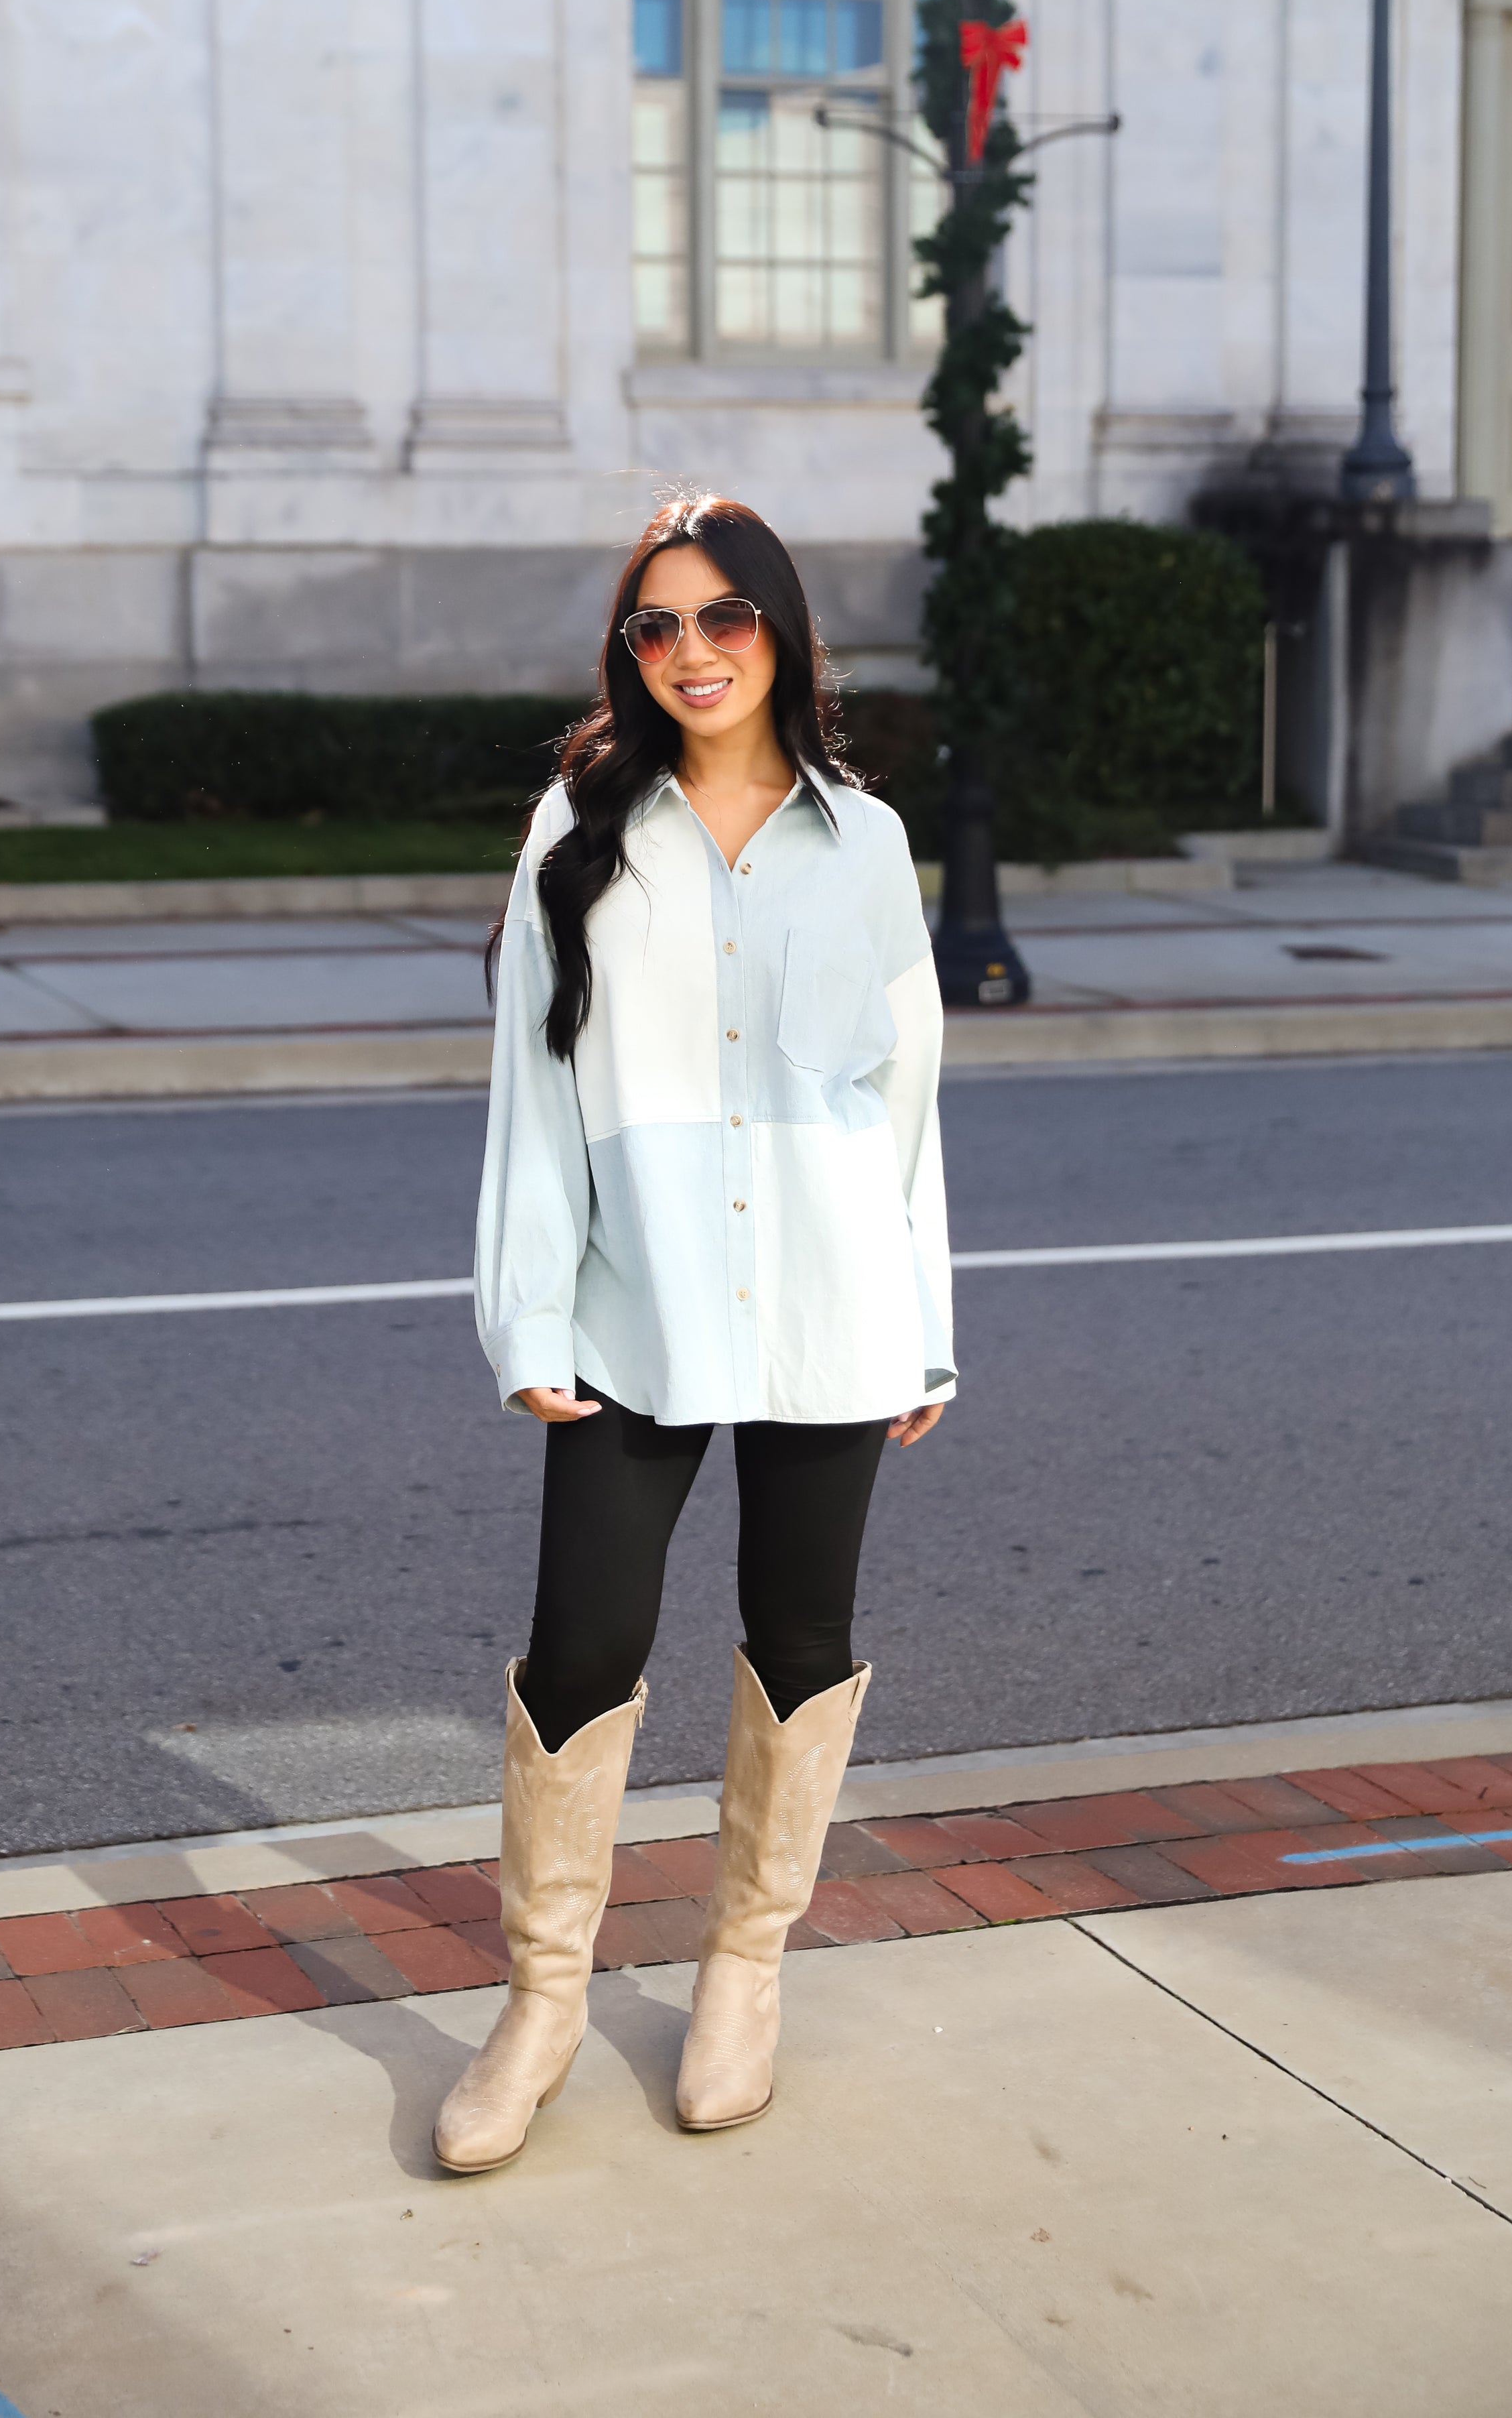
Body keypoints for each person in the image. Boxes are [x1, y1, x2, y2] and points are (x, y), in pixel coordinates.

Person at [433, 489, 954, 2176]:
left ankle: (742, 1965)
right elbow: (529, 1097)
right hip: (628, 1308)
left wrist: (921, 1328)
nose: (691, 651)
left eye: (723, 616)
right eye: (655, 626)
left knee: (801, 1636)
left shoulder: (862, 844)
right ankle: (542, 1998)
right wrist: (524, 1311)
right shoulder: (571, 832)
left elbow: (904, 1098)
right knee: (578, 1648)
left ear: (781, 630)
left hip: (823, 1303)